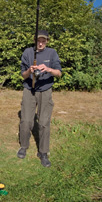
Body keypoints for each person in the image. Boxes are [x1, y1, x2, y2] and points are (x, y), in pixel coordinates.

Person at [18, 30, 62, 167]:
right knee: (26, 120)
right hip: (29, 90)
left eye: (43, 41)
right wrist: (30, 71)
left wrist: (48, 69)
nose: (41, 43)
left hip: (46, 90)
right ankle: (24, 146)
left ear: (47, 41)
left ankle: (43, 152)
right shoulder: (27, 52)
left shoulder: (52, 53)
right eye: (38, 40)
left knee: (43, 122)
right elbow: (23, 75)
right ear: (35, 40)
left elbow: (59, 73)